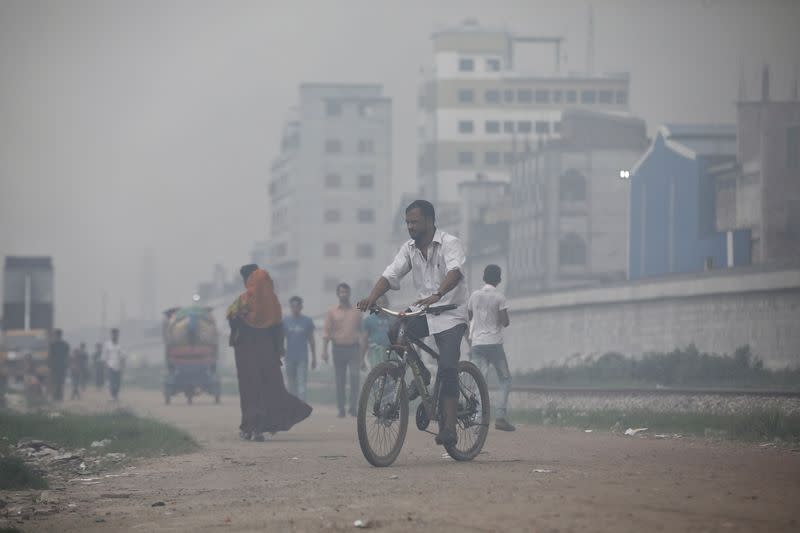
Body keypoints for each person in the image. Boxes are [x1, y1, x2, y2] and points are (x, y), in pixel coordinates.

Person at [357, 199, 469, 446]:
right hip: (425, 310)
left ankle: (449, 427)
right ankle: (420, 376)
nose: (410, 226)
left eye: (415, 222)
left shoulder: (450, 243)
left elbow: (455, 272)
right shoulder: (408, 248)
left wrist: (438, 294)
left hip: (451, 312)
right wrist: (372, 297)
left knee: (449, 367)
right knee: (396, 328)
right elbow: (391, 274)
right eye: (407, 222)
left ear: (429, 221)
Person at [227, 264, 311, 441]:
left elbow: (233, 324)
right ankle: (259, 428)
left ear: (247, 280)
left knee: (249, 391)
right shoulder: (273, 304)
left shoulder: (243, 301)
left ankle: (250, 427)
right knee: (270, 390)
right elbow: (278, 331)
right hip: (267, 356)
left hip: (246, 356)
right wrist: (279, 352)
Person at [468, 264, 516, 431]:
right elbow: (505, 322)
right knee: (505, 379)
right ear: (499, 279)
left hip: (477, 344)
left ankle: (476, 421)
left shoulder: (474, 296)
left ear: (483, 278)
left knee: (478, 382)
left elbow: (470, 316)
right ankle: (501, 416)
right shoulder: (499, 297)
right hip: (494, 344)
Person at [322, 283, 364, 418]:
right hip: (338, 348)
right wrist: (324, 351)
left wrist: (363, 353)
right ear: (337, 294)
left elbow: (362, 333)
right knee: (340, 380)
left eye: (346, 292)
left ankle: (352, 407)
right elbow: (326, 332)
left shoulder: (357, 311)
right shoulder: (331, 311)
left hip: (353, 348)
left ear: (349, 294)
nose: (343, 294)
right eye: (341, 292)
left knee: (354, 377)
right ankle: (341, 408)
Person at [282, 296, 316, 401]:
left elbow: (311, 340)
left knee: (301, 385)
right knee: (291, 384)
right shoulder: (285, 321)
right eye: (293, 306)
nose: (295, 308)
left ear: (301, 307)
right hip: (289, 357)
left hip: (302, 358)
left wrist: (314, 357)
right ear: (290, 307)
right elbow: (280, 338)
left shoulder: (307, 321)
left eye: (297, 306)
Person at [362, 294, 392, 370]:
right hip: (375, 354)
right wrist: (362, 359)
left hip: (391, 354)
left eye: (384, 303)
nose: (381, 306)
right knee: (376, 377)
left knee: (391, 378)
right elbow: (364, 341)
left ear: (387, 304)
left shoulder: (393, 319)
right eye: (379, 303)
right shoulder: (368, 320)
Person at [101, 328, 126, 401]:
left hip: (118, 367)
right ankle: (112, 396)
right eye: (113, 334)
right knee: (112, 382)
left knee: (118, 383)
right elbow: (104, 357)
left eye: (116, 334)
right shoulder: (107, 345)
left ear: (118, 335)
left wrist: (123, 366)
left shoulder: (121, 345)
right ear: (111, 335)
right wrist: (105, 367)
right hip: (110, 366)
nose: (115, 335)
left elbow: (123, 357)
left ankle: (116, 395)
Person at [48, 329, 70, 402]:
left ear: (56, 335)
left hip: (54, 366)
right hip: (62, 366)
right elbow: (67, 356)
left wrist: (49, 365)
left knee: (55, 381)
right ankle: (60, 396)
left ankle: (55, 396)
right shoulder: (66, 345)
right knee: (61, 382)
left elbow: (50, 356)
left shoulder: (52, 345)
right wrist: (67, 365)